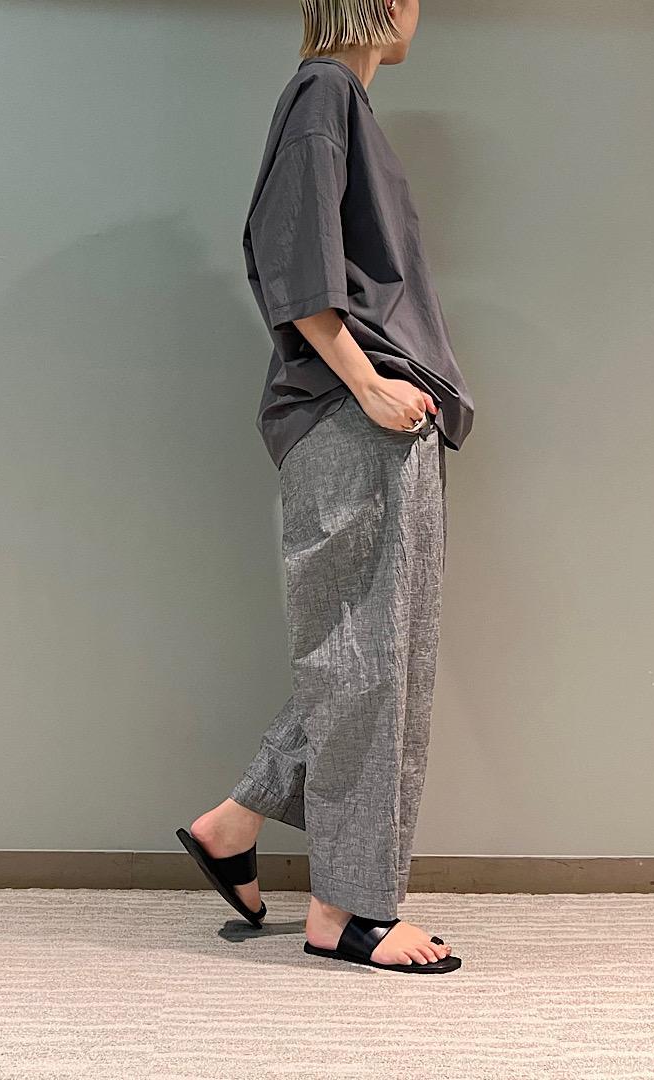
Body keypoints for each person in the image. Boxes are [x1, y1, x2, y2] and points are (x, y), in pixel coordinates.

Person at [176, 0, 474, 974]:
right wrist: (369, 383)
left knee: (373, 658)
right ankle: (345, 912)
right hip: (355, 416)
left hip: (372, 414)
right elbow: (293, 258)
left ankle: (234, 824)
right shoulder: (324, 93)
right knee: (367, 662)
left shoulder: (339, 101)